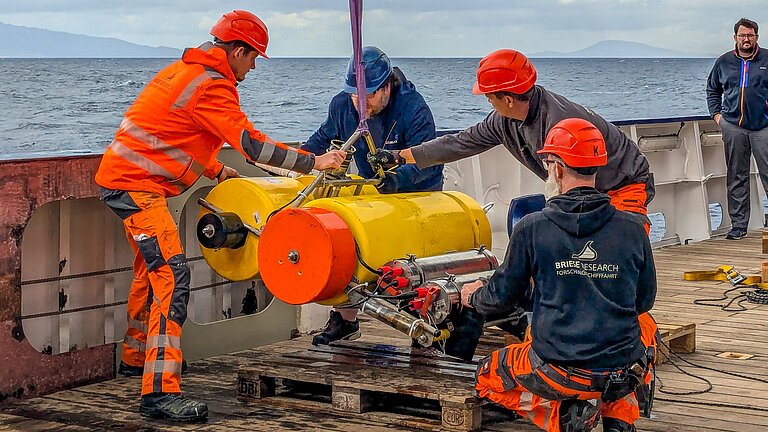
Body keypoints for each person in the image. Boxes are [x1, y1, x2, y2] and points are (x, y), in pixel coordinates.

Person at [94, 10, 344, 422]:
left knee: (150, 271)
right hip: (137, 188)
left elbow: (178, 135)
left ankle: (138, 358)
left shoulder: (184, 73)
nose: (252, 67)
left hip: (126, 182)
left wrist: (217, 170)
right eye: (253, 59)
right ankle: (159, 393)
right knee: (173, 277)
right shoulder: (211, 86)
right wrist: (315, 162)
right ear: (239, 50)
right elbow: (251, 144)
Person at [460, 118, 658, 432]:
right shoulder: (633, 228)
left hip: (558, 370)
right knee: (643, 333)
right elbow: (644, 300)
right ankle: (619, 418)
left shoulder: (532, 227)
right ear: (597, 167)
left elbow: (501, 298)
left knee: (486, 376)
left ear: (557, 168)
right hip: (622, 369)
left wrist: (473, 296)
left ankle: (565, 417)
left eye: (548, 162)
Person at [387, 49, 654, 232]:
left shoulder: (559, 124)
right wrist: (400, 156)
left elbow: (569, 187)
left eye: (489, 97)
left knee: (621, 262)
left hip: (623, 185)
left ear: (508, 99)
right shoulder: (503, 120)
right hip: (586, 194)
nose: (488, 102)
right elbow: (460, 143)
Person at [303, 46, 443, 346]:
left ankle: (424, 320)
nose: (360, 105)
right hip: (374, 192)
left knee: (414, 259)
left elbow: (428, 159)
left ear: (387, 88)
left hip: (417, 193)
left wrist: (391, 180)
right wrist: (295, 161)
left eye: (366, 98)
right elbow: (320, 139)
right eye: (355, 96)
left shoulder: (413, 108)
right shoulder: (342, 105)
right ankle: (345, 319)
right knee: (344, 237)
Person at [706, 17, 768, 240]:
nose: (746, 39)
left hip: (764, 127)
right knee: (736, 176)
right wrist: (718, 117)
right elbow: (713, 89)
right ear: (735, 37)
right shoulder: (724, 62)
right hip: (733, 127)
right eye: (742, 35)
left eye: (750, 35)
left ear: (756, 37)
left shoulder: (766, 59)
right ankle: (739, 225)